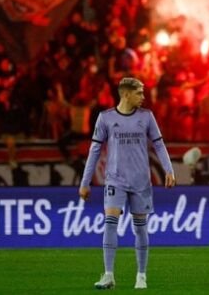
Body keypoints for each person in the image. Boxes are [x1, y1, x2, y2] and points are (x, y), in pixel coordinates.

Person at [79, 77, 175, 290]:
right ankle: (109, 275)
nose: (143, 97)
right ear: (125, 94)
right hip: (115, 179)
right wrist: (85, 182)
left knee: (140, 228)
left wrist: (169, 170)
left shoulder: (147, 117)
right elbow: (94, 151)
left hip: (141, 180)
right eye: (139, 93)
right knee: (110, 221)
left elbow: (159, 145)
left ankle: (141, 276)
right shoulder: (105, 118)